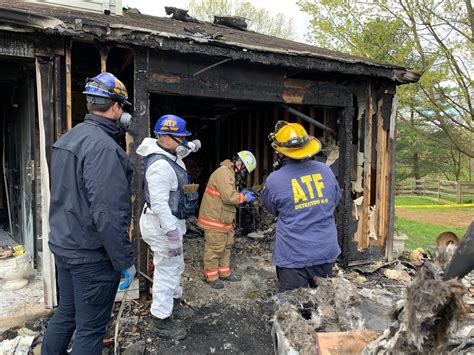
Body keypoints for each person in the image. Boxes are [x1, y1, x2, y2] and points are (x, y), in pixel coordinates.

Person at [42, 72, 136, 354]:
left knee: (66, 315)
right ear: (117, 107)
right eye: (124, 107)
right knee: (90, 330)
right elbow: (107, 214)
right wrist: (124, 260)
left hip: (65, 247)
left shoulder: (68, 139)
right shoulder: (104, 148)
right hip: (91, 257)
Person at [138, 114, 201, 340]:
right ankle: (161, 319)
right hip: (162, 225)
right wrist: (172, 233)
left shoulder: (169, 152)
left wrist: (192, 146)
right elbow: (159, 205)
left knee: (176, 264)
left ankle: (174, 302)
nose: (183, 143)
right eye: (180, 139)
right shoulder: (160, 168)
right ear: (165, 137)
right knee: (166, 268)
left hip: (171, 223)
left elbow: (183, 150)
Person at [260, 121, 342, 292]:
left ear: (279, 153)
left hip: (293, 257)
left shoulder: (274, 180)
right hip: (324, 252)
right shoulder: (325, 171)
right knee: (323, 305)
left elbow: (271, 209)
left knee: (292, 309)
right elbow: (335, 200)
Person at [198, 151, 257, 289]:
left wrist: (240, 193)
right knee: (214, 249)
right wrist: (244, 198)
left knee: (226, 247)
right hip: (215, 219)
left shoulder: (230, 174)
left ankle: (224, 273)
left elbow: (227, 193)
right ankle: (211, 277)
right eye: (244, 169)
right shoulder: (225, 173)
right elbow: (228, 197)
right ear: (238, 163)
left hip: (224, 219)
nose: (243, 173)